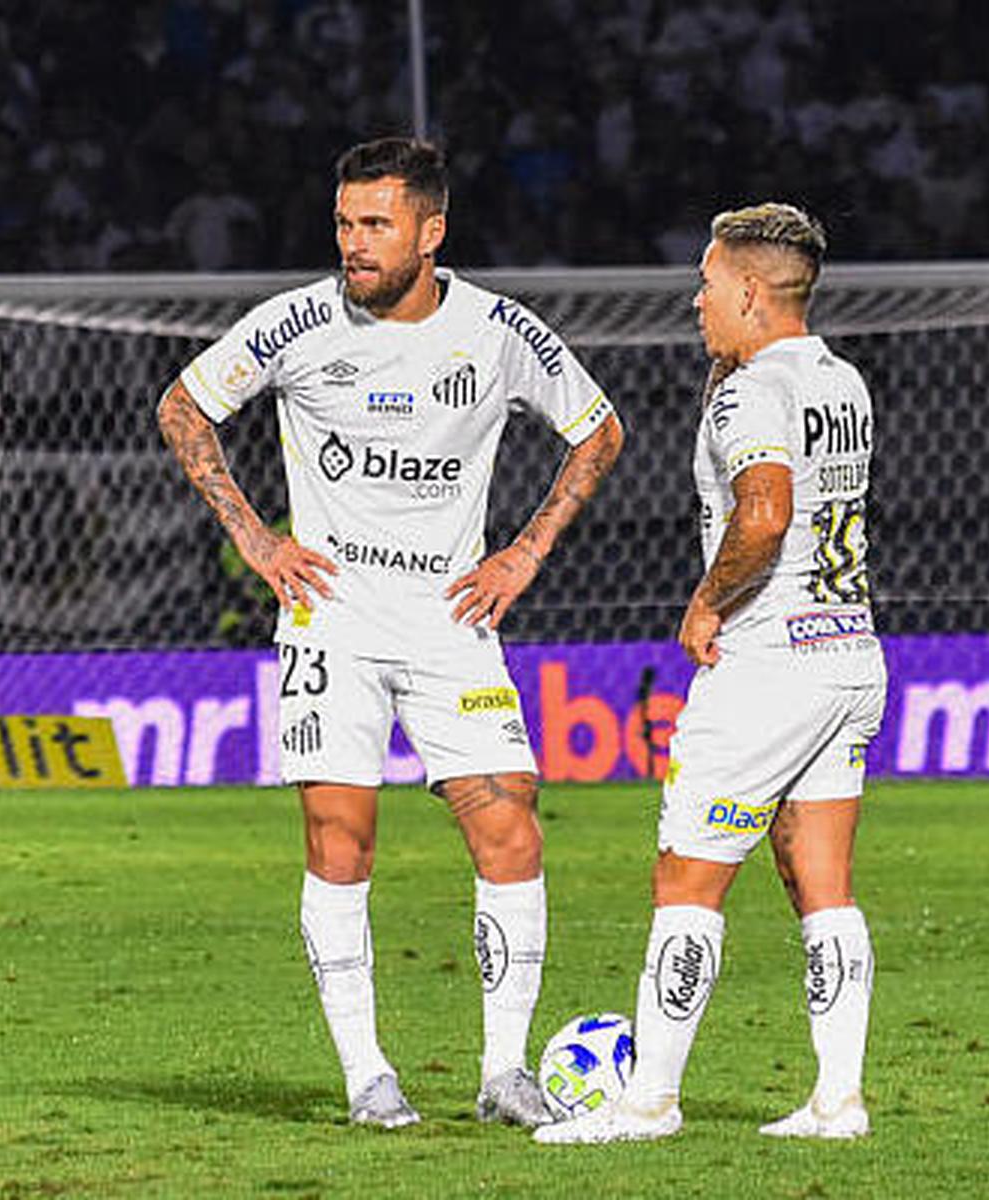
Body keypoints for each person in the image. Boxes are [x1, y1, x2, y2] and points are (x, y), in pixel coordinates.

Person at [158, 137, 624, 1129]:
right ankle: (369, 1077)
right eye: (344, 223)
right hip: (334, 621)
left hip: (453, 621)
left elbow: (599, 430)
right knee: (342, 841)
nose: (354, 244)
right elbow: (184, 407)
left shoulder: (499, 332)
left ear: (431, 229)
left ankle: (505, 1075)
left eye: (376, 225)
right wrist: (255, 536)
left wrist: (527, 552)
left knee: (511, 829)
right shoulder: (296, 322)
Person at [537, 202, 886, 1145]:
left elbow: (765, 512)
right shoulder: (842, 380)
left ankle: (648, 1099)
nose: (696, 303)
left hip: (768, 665)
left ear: (746, 290)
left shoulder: (747, 393)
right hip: (848, 653)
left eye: (705, 284)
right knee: (823, 881)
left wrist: (706, 602)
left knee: (685, 881)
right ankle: (837, 1100)